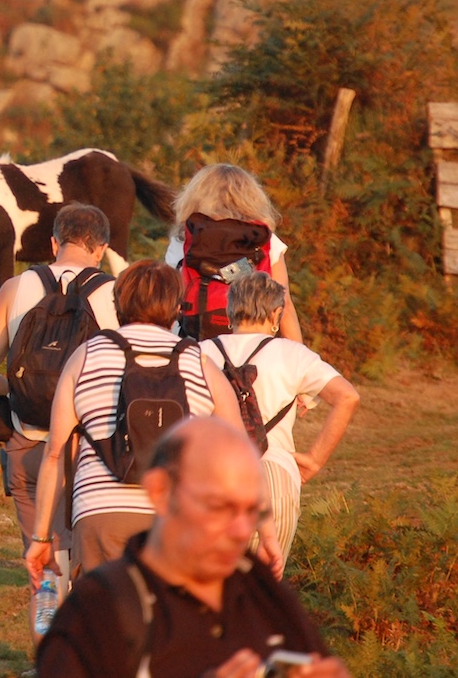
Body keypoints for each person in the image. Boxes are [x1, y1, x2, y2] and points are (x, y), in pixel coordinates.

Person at [37, 418, 353, 678]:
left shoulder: (261, 590)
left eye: (251, 511)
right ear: (160, 491)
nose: (242, 531)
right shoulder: (100, 609)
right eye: (219, 507)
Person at [25, 261, 270, 583]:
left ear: (119, 303)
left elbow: (55, 453)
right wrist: (268, 536)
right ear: (174, 307)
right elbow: (242, 454)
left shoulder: (86, 355)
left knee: (108, 625)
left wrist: (41, 538)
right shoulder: (198, 360)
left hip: (100, 513)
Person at [0, 203, 119, 562]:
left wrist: (17, 392)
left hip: (26, 446)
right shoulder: (115, 295)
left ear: (53, 243)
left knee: (44, 569)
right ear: (101, 250)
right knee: (86, 570)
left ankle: (47, 614)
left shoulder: (15, 288)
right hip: (87, 448)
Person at [206, 272, 359, 562]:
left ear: (229, 311)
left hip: (213, 478)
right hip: (274, 474)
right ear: (277, 313)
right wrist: (315, 459)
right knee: (264, 595)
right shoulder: (293, 354)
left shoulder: (200, 352)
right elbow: (347, 397)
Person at [165, 163, 303, 342]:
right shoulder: (264, 240)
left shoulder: (183, 239)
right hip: (253, 345)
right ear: (251, 198)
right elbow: (285, 306)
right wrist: (300, 358)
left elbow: (169, 301)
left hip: (193, 343)